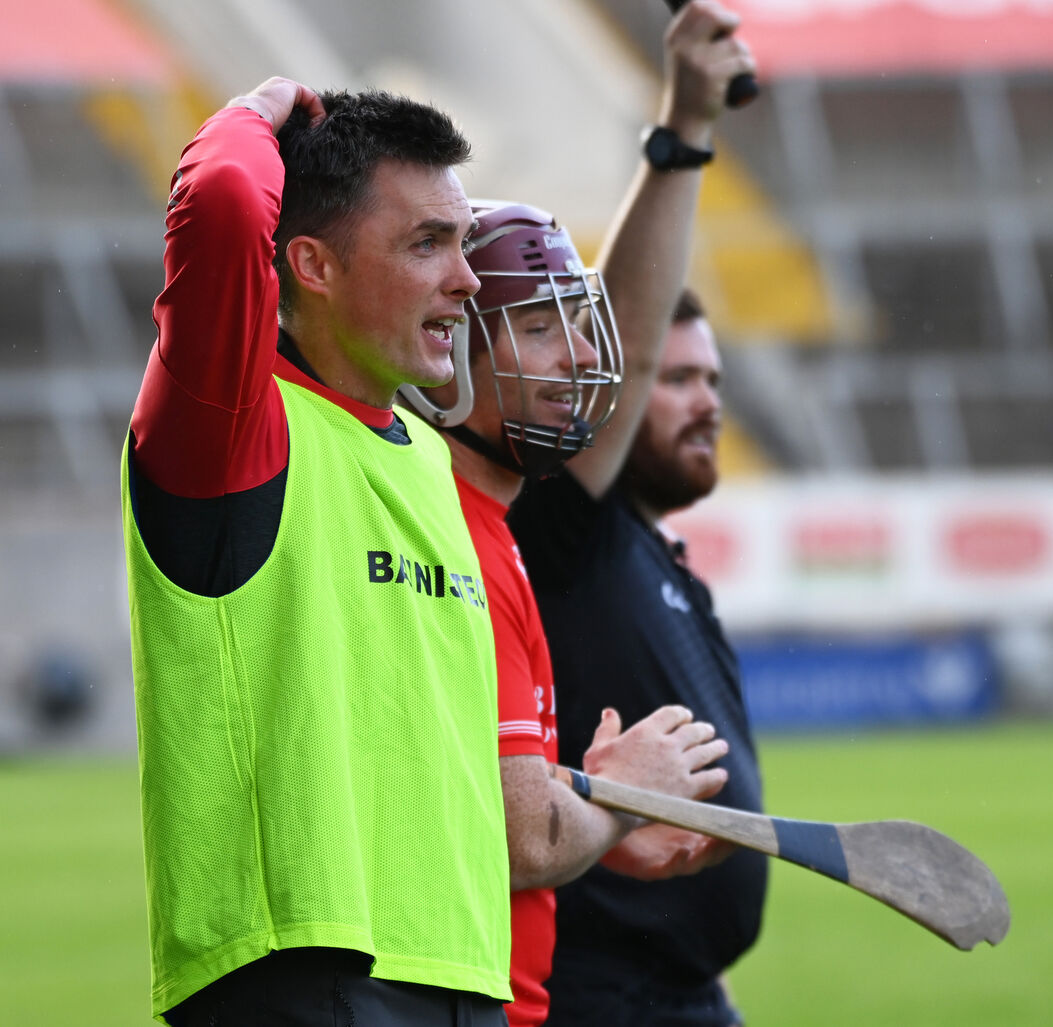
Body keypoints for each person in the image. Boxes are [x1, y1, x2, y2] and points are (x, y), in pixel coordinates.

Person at [120, 78, 512, 1025]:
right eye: (427, 244)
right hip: (302, 975)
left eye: (462, 242)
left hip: (460, 971)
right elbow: (219, 204)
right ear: (313, 265)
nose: (467, 278)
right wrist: (254, 114)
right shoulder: (233, 431)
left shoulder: (427, 455)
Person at [401, 6, 756, 1025]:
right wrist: (606, 798)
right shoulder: (446, 531)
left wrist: (588, 802)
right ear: (443, 354)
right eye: (542, 329)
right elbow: (508, 833)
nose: (589, 361)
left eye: (579, 325)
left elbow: (463, 795)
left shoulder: (505, 532)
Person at [507, 287, 767, 1026]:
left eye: (713, 380)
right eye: (676, 379)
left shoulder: (659, 557)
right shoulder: (565, 533)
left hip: (685, 995)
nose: (707, 403)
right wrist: (674, 167)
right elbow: (627, 333)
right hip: (597, 1001)